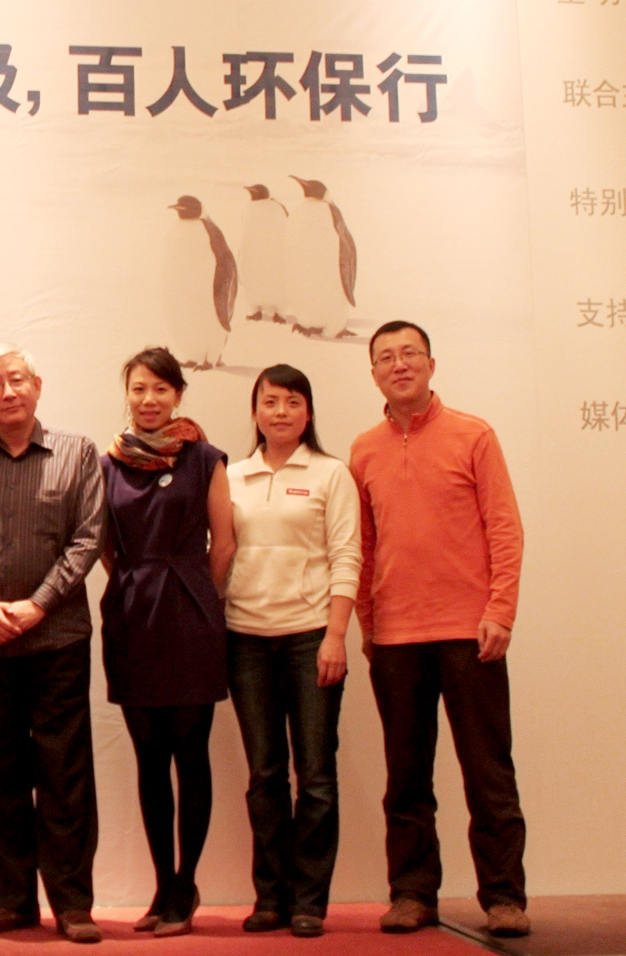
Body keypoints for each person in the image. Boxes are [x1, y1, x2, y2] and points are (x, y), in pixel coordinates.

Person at [350, 321, 529, 939]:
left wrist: (500, 610)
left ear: (431, 364)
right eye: (386, 357)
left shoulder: (473, 435)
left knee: (488, 771)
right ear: (374, 373)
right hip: (395, 636)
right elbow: (363, 547)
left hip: (469, 632)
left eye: (410, 354)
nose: (399, 365)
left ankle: (503, 897)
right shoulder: (363, 450)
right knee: (405, 776)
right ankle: (411, 893)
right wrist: (368, 623)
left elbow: (505, 527)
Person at [0, 344, 106, 944]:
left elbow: (87, 538)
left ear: (37, 384)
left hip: (57, 640)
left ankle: (73, 903)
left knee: (64, 774)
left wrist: (38, 604)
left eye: (16, 380)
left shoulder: (78, 454)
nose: (7, 392)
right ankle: (11, 901)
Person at [97, 346, 235, 936]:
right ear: (127, 395)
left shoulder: (205, 458)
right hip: (133, 617)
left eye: (160, 389)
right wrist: (136, 582)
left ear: (178, 394)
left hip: (191, 614)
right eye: (139, 389)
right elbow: (104, 546)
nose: (149, 399)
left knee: (190, 752)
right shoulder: (107, 463)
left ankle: (186, 884)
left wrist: (198, 592)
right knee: (149, 758)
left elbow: (224, 543)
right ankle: (161, 885)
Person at [222, 364, 362, 939]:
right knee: (264, 774)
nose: (280, 412)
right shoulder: (230, 476)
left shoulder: (331, 474)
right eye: (270, 401)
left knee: (317, 775)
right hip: (245, 640)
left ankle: (309, 901)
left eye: (292, 402)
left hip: (310, 638)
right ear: (255, 411)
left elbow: (347, 556)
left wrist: (335, 636)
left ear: (308, 412)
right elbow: (219, 552)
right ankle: (271, 897)